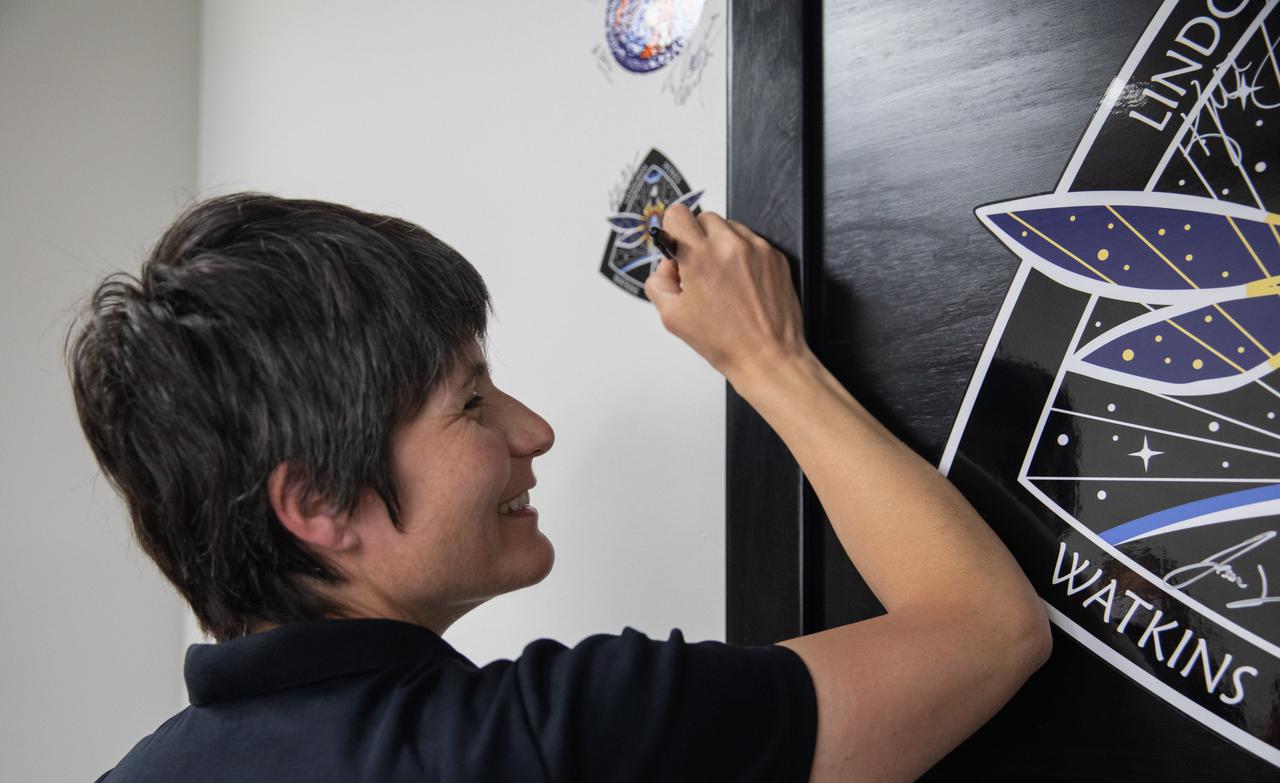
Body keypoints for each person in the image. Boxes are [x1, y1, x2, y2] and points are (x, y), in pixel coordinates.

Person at [70, 192, 1050, 782]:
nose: (532, 432)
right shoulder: (558, 740)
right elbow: (985, 631)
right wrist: (769, 359)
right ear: (319, 503)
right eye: (470, 403)